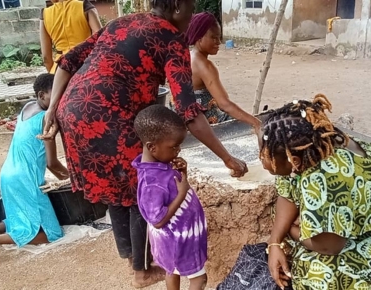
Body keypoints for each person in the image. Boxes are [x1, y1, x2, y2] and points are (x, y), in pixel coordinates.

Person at [39, 1, 248, 287]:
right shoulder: (171, 38)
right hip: (109, 117)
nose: (191, 15)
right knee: (143, 186)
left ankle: (130, 256)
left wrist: (52, 110)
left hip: (72, 112)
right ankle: (141, 270)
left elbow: (67, 62)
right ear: (176, 7)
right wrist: (227, 158)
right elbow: (189, 112)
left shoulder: (122, 22)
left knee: (116, 187)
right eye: (190, 7)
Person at [260, 94, 371, 289]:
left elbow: (329, 246)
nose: (261, 159)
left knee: (321, 272)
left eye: (264, 156)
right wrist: (274, 242)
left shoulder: (324, 178)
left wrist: (293, 230)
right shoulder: (315, 145)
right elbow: (287, 193)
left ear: (294, 160)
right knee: (288, 225)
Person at [0, 73, 69, 266]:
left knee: (18, 219)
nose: (58, 99)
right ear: (41, 95)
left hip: (7, 175)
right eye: (53, 95)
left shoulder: (28, 107)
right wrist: (72, 179)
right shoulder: (46, 120)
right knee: (53, 233)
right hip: (26, 180)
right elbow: (52, 163)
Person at [132, 105, 208, 290]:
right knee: (199, 279)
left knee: (171, 271)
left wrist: (182, 173)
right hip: (178, 241)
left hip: (175, 240)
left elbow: (170, 189)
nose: (178, 150)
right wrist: (183, 192)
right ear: (152, 147)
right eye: (174, 147)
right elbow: (157, 220)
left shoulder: (158, 166)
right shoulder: (151, 183)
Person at [184, 12, 261, 130]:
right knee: (245, 127)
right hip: (204, 124)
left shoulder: (188, 57)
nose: (218, 42)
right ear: (199, 38)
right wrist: (256, 123)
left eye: (219, 37)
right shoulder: (204, 66)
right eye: (214, 38)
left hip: (187, 121)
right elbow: (224, 105)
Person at [40, 0, 102, 73]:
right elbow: (100, 40)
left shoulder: (45, 14)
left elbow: (46, 57)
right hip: (85, 65)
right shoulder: (84, 6)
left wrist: (52, 72)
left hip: (59, 68)